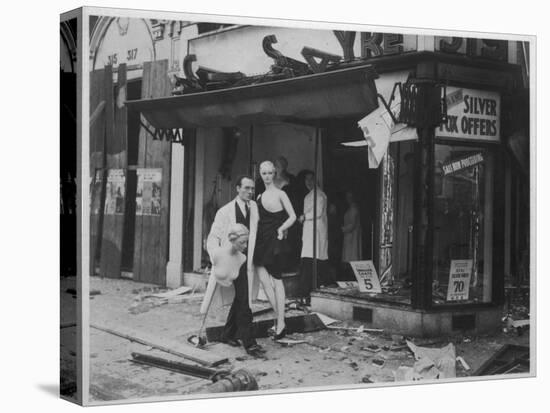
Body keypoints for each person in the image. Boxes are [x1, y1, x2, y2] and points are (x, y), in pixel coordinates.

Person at [202, 175, 264, 357]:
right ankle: (250, 343)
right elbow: (212, 237)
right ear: (237, 189)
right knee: (245, 301)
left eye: (252, 189)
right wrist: (216, 256)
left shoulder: (253, 207)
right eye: (246, 188)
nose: (250, 192)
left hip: (247, 260)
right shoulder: (224, 212)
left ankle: (227, 334)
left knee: (241, 298)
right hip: (231, 261)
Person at [253, 161, 297, 340]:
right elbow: (256, 222)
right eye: (264, 173)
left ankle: (280, 322)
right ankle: (280, 319)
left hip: (275, 242)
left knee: (277, 280)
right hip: (261, 242)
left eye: (270, 173)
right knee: (264, 280)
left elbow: (293, 216)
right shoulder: (258, 197)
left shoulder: (281, 194)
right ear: (260, 174)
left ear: (275, 173)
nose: (267, 176)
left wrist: (281, 228)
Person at [298, 171, 329, 304]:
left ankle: (311, 294)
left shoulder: (320, 195)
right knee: (308, 261)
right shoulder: (308, 195)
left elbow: (318, 211)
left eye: (311, 179)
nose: (308, 182)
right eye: (306, 180)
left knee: (314, 262)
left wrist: (304, 217)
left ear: (315, 180)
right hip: (309, 233)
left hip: (316, 233)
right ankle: (306, 294)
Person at [342, 191, 362, 262]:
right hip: (349, 238)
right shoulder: (350, 209)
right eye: (347, 197)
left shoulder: (354, 209)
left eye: (350, 197)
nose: (348, 199)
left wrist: (342, 229)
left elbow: (352, 225)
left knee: (352, 258)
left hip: (352, 238)